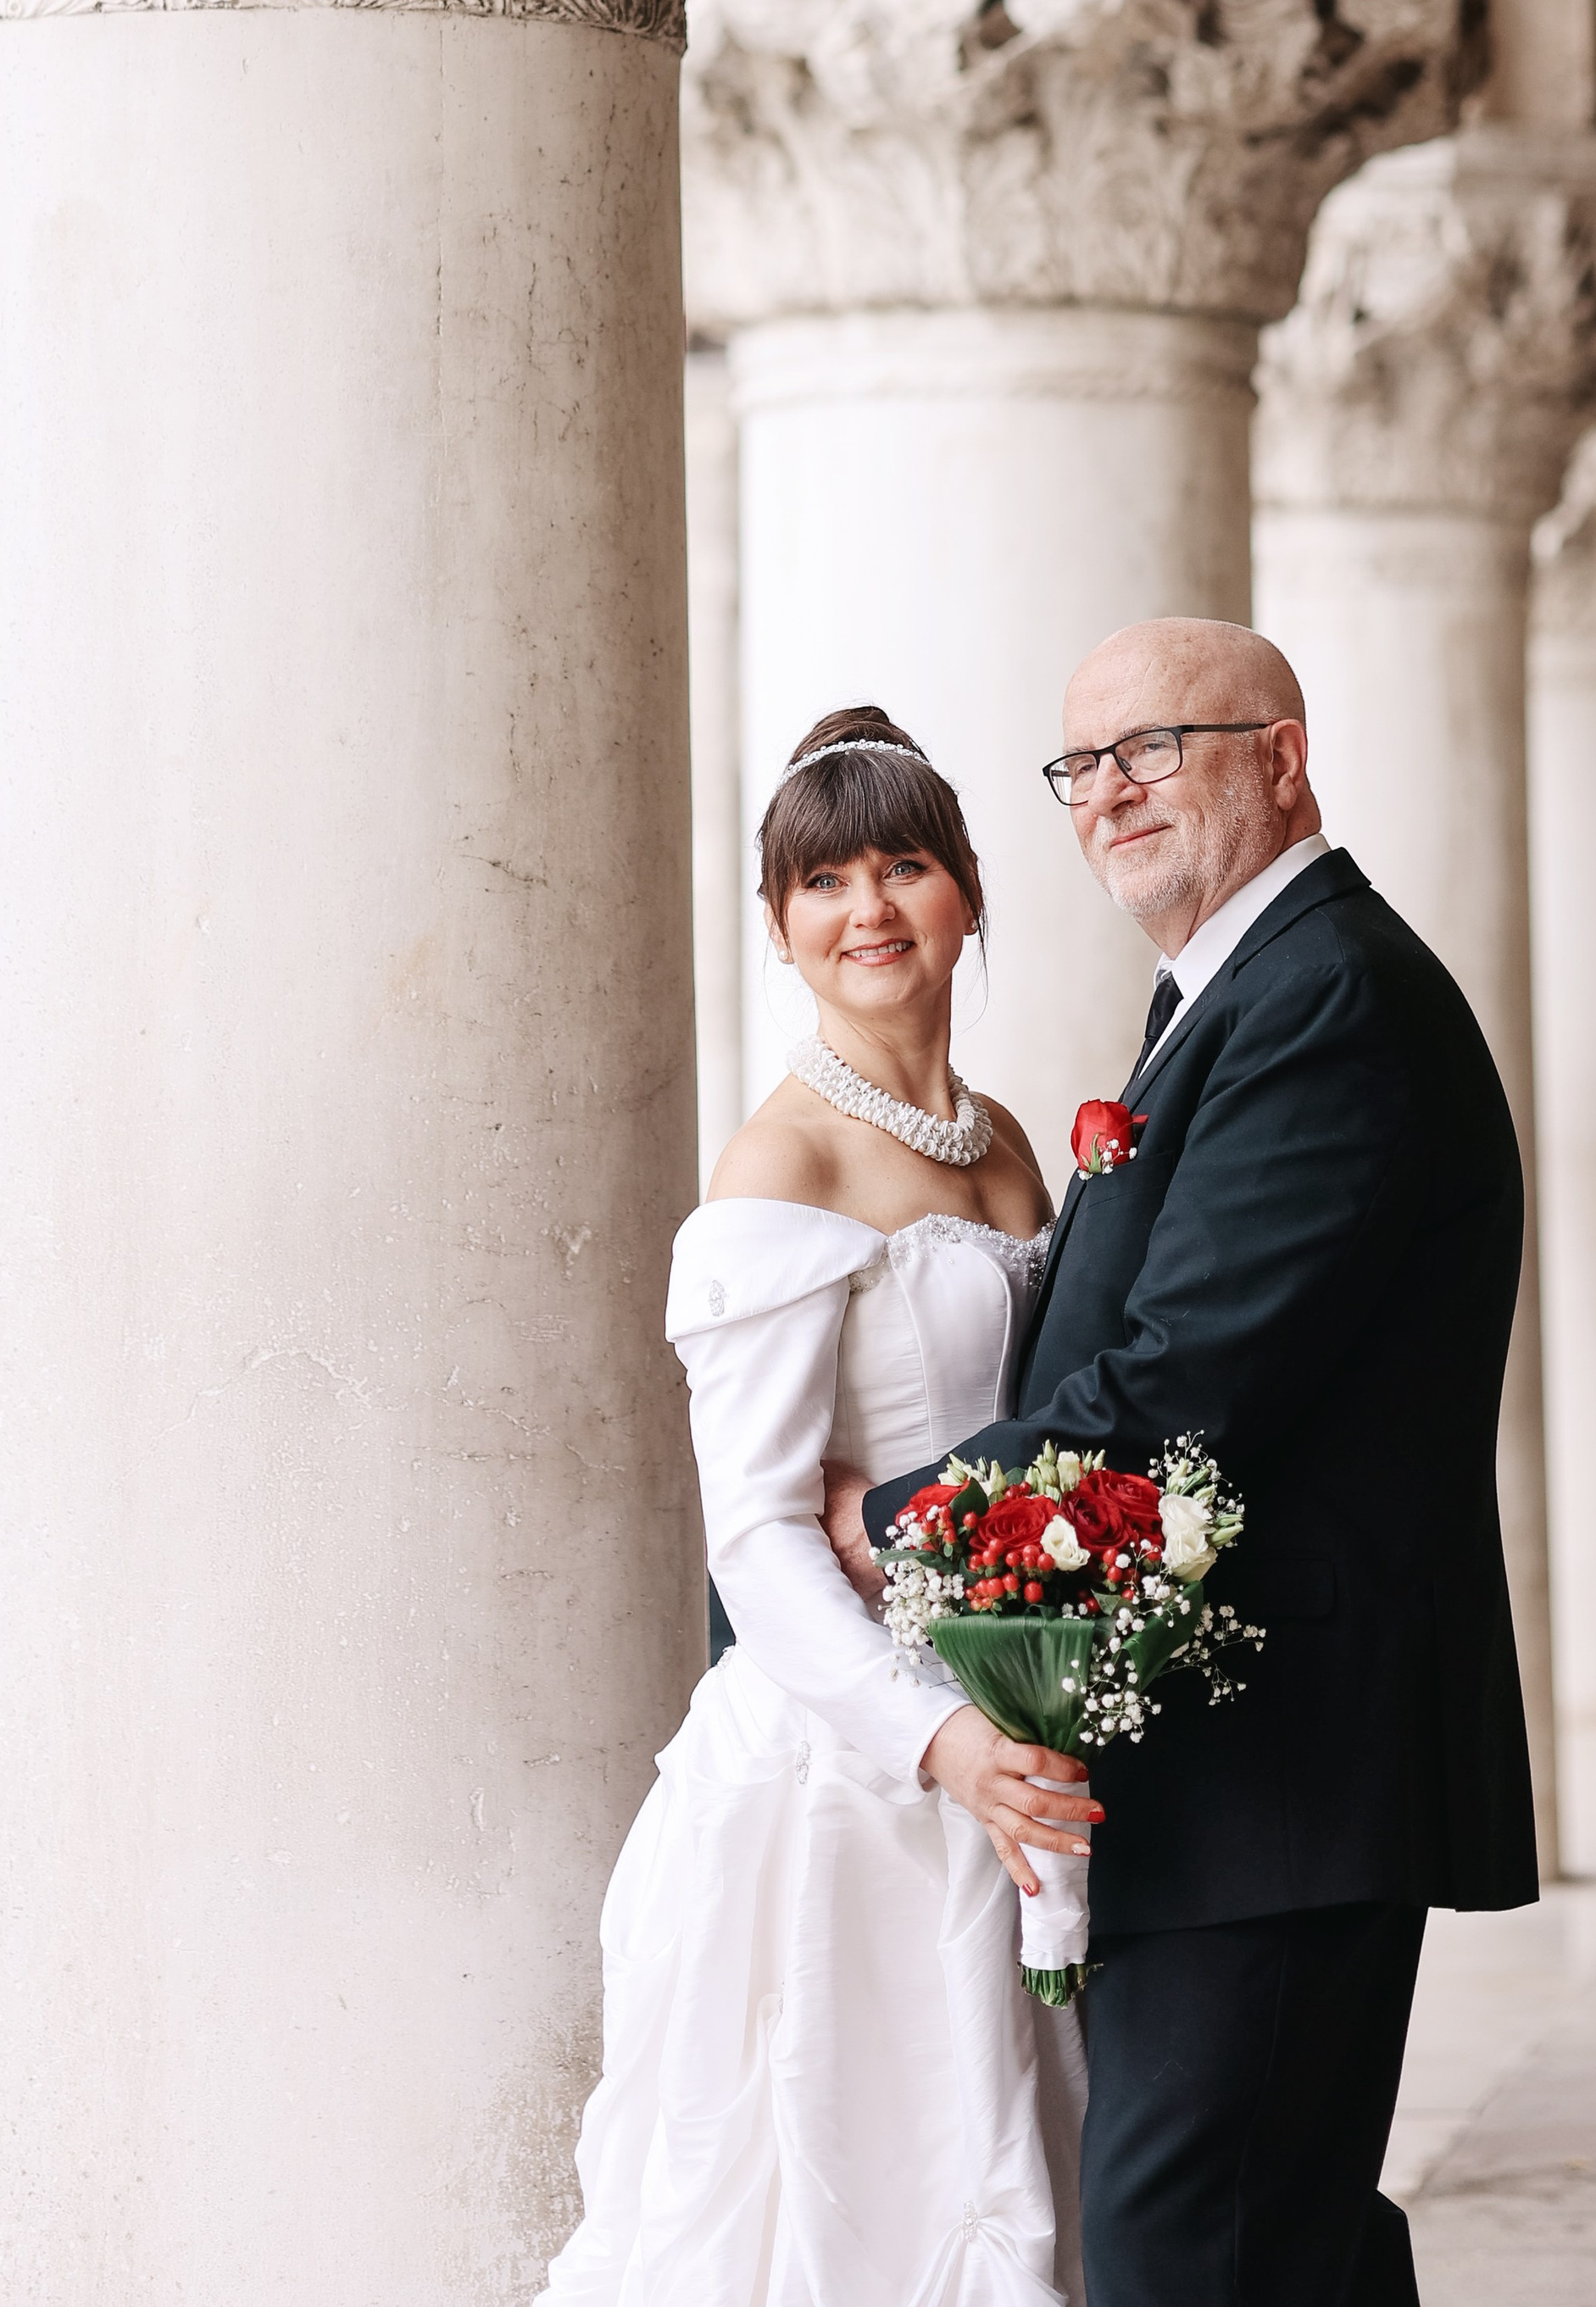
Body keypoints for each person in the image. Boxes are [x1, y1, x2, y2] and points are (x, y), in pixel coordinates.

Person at [826, 618, 1538, 2306]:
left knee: (1184, 2254)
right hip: (1231, 1774)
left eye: (1154, 748)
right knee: (1270, 2248)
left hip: (1282, 1768)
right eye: (1080, 767)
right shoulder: (1242, 993)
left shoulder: (1328, 999)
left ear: (1278, 760)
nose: (1106, 794)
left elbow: (1175, 1397)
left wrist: (885, 1533)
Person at [543, 707, 1088, 2307]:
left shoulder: (1000, 1145)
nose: (871, 909)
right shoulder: (779, 1169)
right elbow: (760, 1537)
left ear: (968, 894)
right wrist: (944, 1740)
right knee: (861, 2196)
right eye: (826, 880)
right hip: (858, 1767)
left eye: (906, 864)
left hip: (1024, 1695)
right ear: (779, 926)